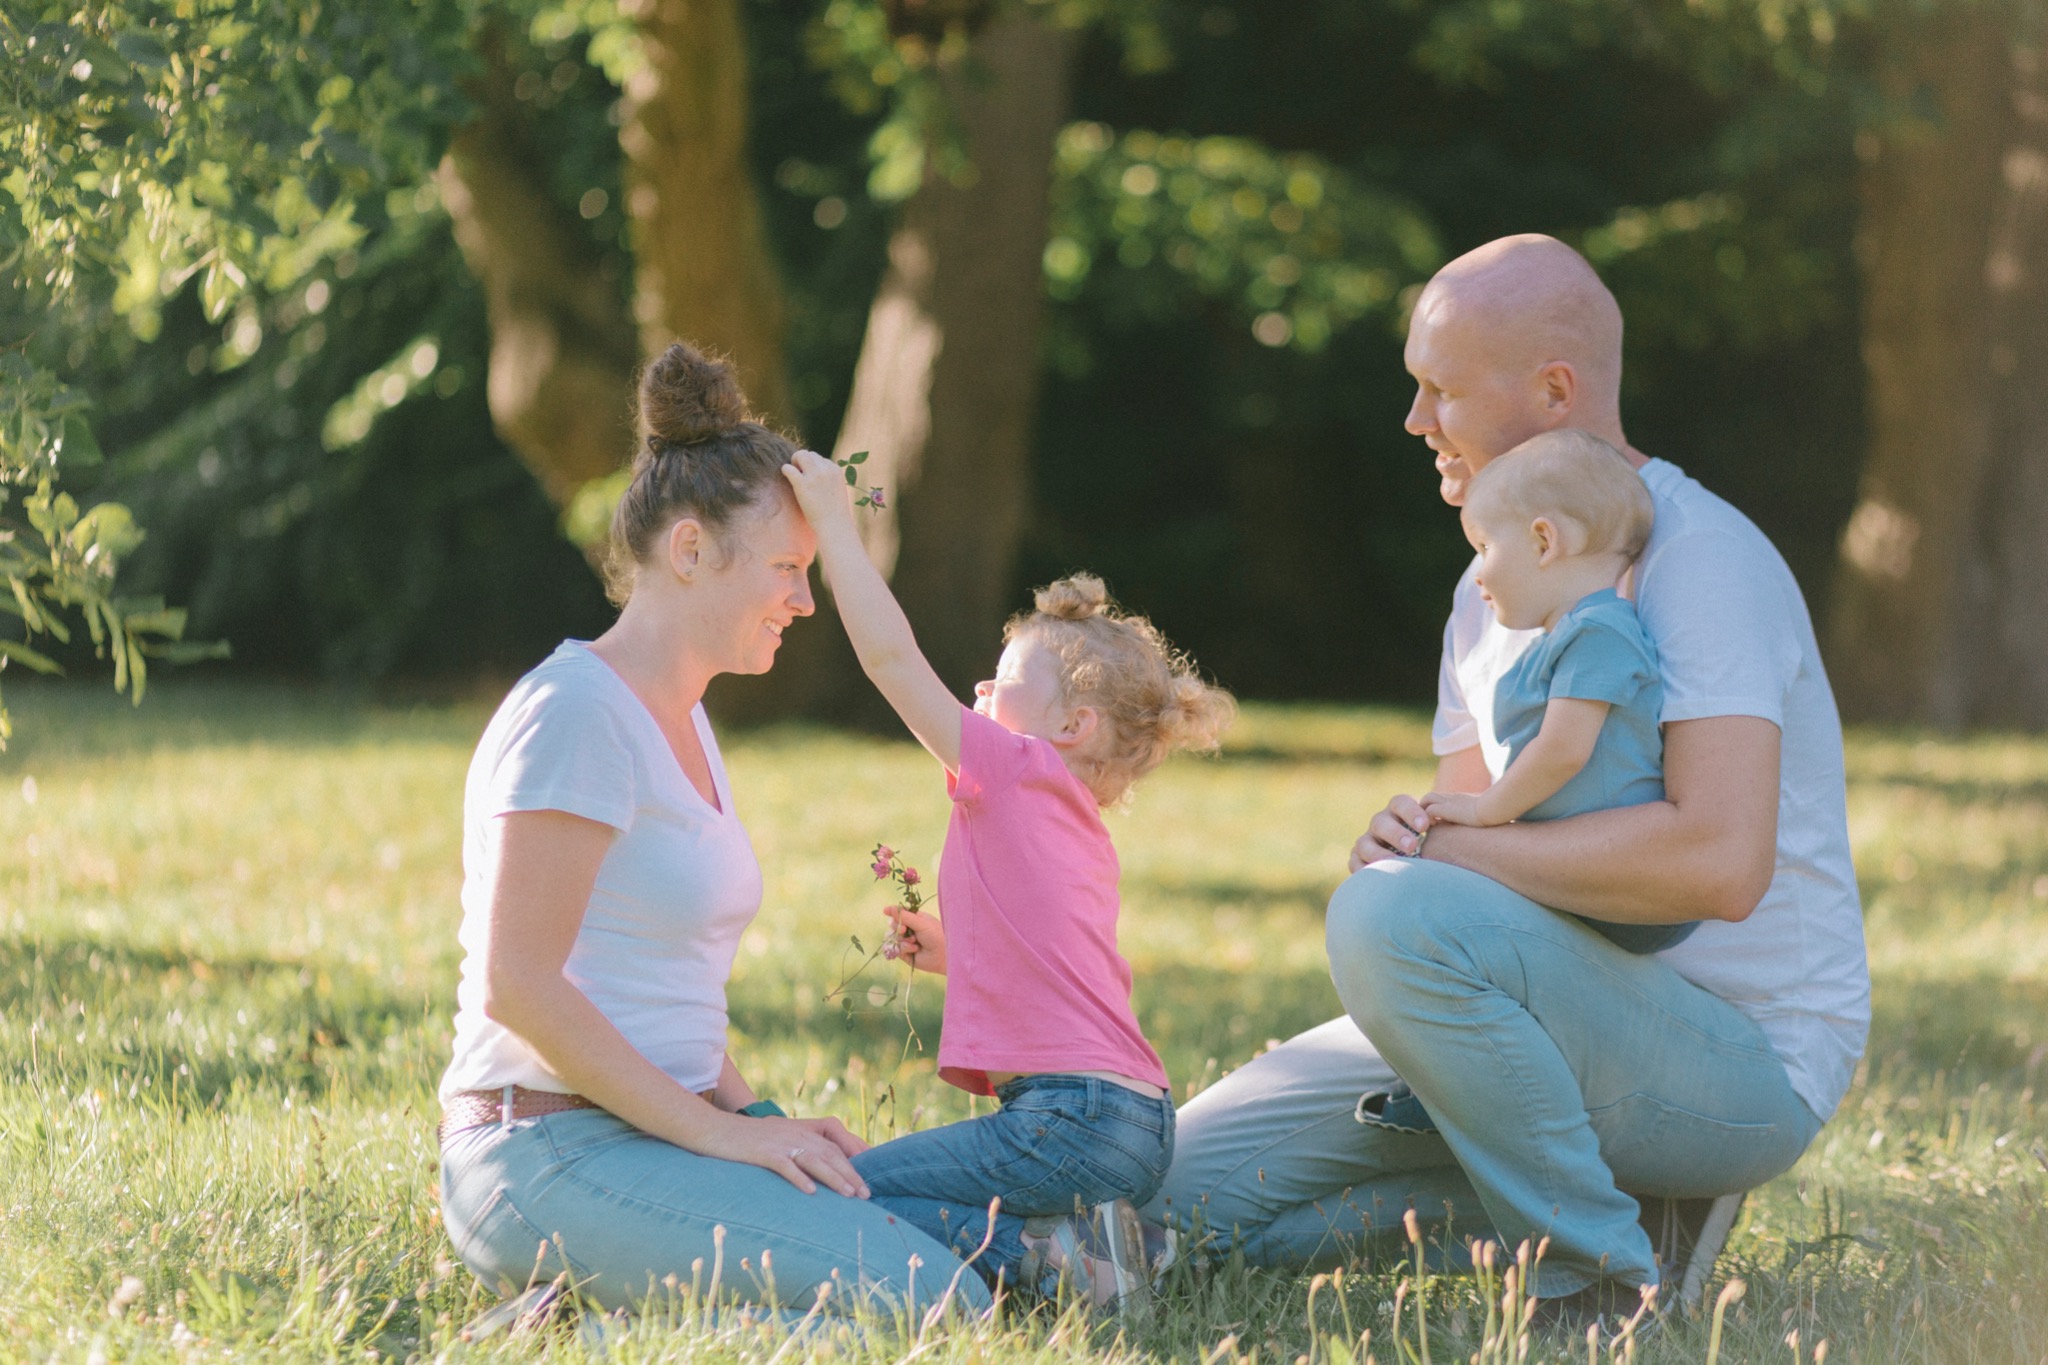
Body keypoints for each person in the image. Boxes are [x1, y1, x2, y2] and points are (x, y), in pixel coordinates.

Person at [1144, 234, 1870, 1324]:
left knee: (1397, 913)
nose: (1413, 421)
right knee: (1164, 1202)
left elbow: (1719, 865)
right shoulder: (1490, 586)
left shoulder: (1699, 558)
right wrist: (1421, 839)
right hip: (1552, 1007)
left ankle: (1597, 1278)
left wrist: (1434, 861)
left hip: (1739, 1058)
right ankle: (1632, 1218)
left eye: (1439, 390)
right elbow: (1487, 856)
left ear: (1552, 392)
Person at [436, 342, 991, 1320]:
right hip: (540, 1153)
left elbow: (656, 991)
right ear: (689, 551)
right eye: (786, 567)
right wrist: (725, 1140)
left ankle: (585, 1322)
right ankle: (559, 1342)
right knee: (934, 1306)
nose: (803, 602)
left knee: (953, 1256)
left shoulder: (683, 716)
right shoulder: (576, 712)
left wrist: (755, 1116)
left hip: (653, 1137)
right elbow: (515, 984)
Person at [782, 448, 1236, 1307]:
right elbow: (1053, 961)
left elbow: (890, 660)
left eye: (1009, 678)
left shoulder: (1021, 767)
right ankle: (1117, 1244)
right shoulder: (1074, 821)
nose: (983, 687)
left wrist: (838, 526)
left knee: (844, 1193)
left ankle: (1055, 1259)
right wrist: (956, 952)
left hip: (1072, 1117)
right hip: (1132, 1117)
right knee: (871, 1192)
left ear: (1071, 723)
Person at [1419, 427, 1693, 955]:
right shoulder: (1565, 638)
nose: (1477, 575)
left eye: (1484, 547)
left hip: (1627, 888)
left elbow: (1564, 748)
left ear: (1545, 541)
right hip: (1577, 878)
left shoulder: (1601, 632)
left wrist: (1485, 813)